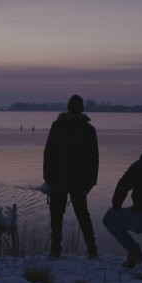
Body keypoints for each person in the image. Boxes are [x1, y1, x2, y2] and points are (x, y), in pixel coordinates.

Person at [43, 94, 99, 259]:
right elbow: (93, 158)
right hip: (79, 182)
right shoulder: (89, 130)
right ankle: (92, 249)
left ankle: (55, 250)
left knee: (56, 217)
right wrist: (91, 182)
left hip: (58, 180)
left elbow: (48, 153)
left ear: (68, 107)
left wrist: (48, 179)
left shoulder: (57, 126)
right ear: (82, 108)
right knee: (83, 216)